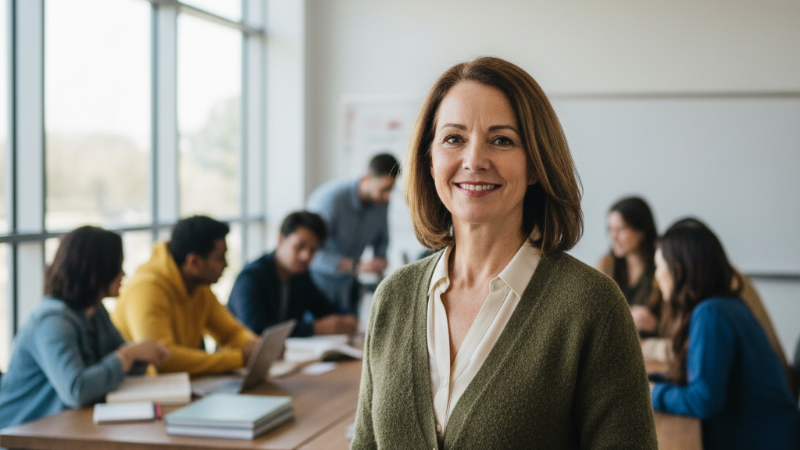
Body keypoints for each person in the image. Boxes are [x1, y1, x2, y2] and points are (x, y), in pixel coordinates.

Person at [351, 57, 657, 448]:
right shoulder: (393, 298)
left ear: (534, 165)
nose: (474, 160)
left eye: (502, 140)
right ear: (430, 159)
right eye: (453, 138)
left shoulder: (591, 306)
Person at [650, 218, 798, 449]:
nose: (656, 277)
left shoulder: (711, 314)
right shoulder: (729, 305)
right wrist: (654, 381)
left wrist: (651, 393)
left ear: (677, 272)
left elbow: (703, 400)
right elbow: (703, 376)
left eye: (658, 267)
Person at [0, 226, 170, 428]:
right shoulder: (51, 321)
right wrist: (129, 354)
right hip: (23, 433)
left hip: (67, 427)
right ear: (96, 270)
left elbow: (117, 369)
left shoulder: (95, 311)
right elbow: (76, 390)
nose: (123, 273)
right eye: (117, 266)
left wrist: (140, 355)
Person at [112, 216, 258, 375]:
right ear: (193, 262)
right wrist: (239, 358)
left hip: (181, 387)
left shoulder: (199, 286)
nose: (226, 265)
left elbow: (231, 333)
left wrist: (256, 345)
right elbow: (164, 360)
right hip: (148, 392)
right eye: (220, 258)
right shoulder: (146, 289)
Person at [227, 211, 357, 337]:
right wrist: (313, 329)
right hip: (243, 357)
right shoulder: (251, 277)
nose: (305, 256)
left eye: (312, 250)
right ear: (281, 239)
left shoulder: (300, 275)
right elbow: (256, 328)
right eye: (299, 246)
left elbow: (324, 309)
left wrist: (347, 318)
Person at [307, 153, 399, 313]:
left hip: (350, 288)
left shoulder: (381, 201)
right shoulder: (329, 201)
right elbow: (313, 255)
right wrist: (356, 266)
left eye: (391, 190)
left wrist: (380, 258)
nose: (387, 196)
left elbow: (381, 239)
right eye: (383, 189)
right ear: (367, 178)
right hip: (318, 289)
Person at [596, 196, 662, 335]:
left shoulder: (662, 268)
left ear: (641, 231)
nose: (613, 237)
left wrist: (656, 325)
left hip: (650, 346)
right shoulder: (606, 265)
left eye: (620, 229)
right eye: (610, 230)